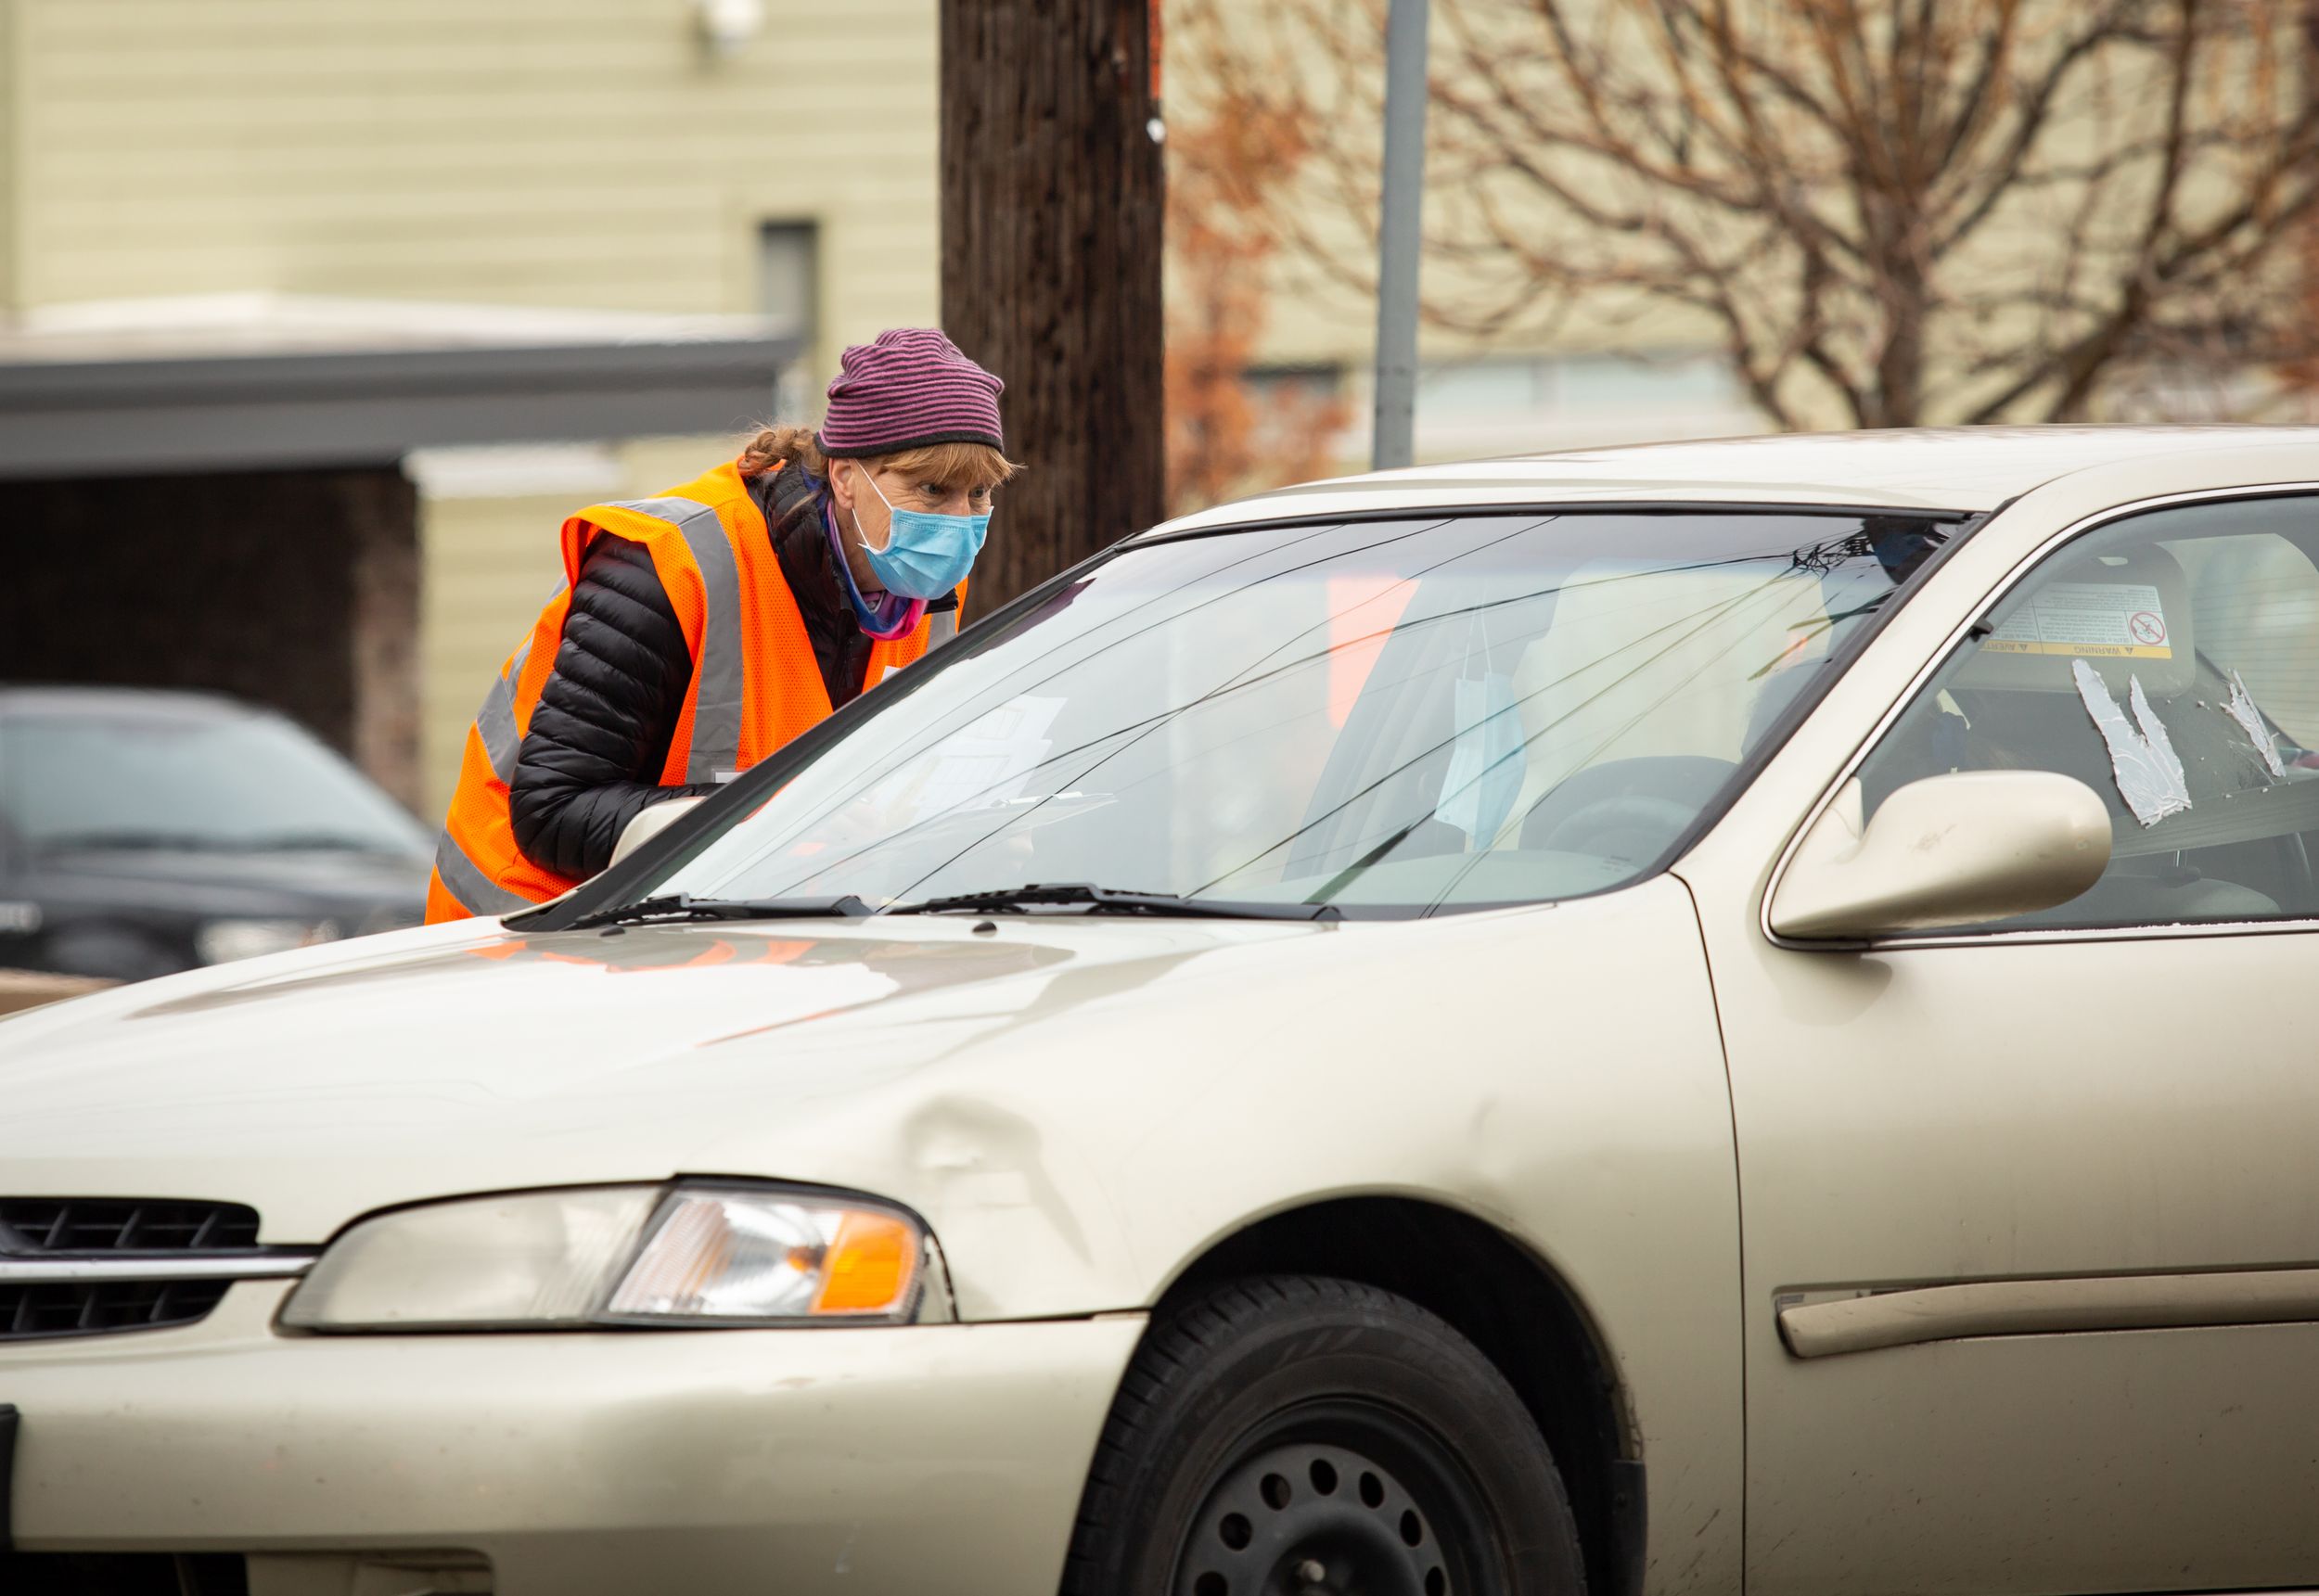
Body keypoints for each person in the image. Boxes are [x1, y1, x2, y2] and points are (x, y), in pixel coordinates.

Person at [426, 327, 1017, 922]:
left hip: (704, 922)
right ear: (844, 477)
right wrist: (784, 816)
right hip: (528, 928)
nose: (959, 520)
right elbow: (554, 814)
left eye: (979, 494)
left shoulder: (925, 587)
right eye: (932, 489)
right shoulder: (668, 565)